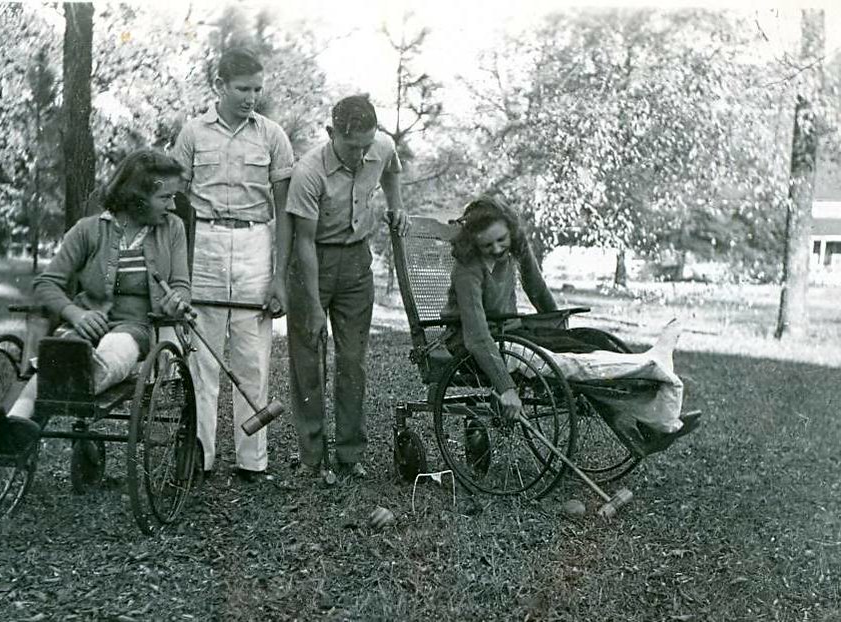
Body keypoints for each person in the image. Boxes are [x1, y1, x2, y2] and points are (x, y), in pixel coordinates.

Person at [0, 149, 192, 450]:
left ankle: (28, 414)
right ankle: (13, 425)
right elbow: (46, 283)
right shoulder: (88, 230)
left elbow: (181, 285)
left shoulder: (172, 230)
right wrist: (76, 314)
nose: (172, 205)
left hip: (136, 329)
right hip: (83, 328)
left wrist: (177, 301)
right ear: (138, 197)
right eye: (165, 197)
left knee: (111, 350)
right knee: (64, 352)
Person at [442, 196, 700, 456]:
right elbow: (476, 337)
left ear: (511, 230)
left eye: (502, 240)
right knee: (568, 362)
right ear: (473, 242)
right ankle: (651, 366)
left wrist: (563, 336)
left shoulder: (516, 248)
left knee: (588, 345)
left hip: (507, 332)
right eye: (488, 244)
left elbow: (538, 290)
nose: (498, 249)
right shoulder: (468, 269)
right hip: (471, 343)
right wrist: (506, 387)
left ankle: (646, 419)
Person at [171, 47, 294, 483]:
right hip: (203, 242)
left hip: (254, 244)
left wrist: (279, 277)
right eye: (243, 88)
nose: (251, 97)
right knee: (200, 357)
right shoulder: (191, 133)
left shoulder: (272, 136)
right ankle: (200, 457)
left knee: (251, 357)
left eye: (258, 89)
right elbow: (175, 206)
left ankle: (251, 461)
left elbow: (283, 214)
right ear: (219, 86)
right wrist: (179, 268)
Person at [281, 94, 410, 484]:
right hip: (313, 264)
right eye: (351, 146)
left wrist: (396, 204)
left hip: (357, 263)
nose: (360, 155)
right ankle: (311, 456)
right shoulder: (308, 171)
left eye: (365, 146)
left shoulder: (382, 146)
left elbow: (391, 169)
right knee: (309, 362)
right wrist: (314, 306)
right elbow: (303, 241)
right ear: (331, 132)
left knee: (352, 361)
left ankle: (350, 455)